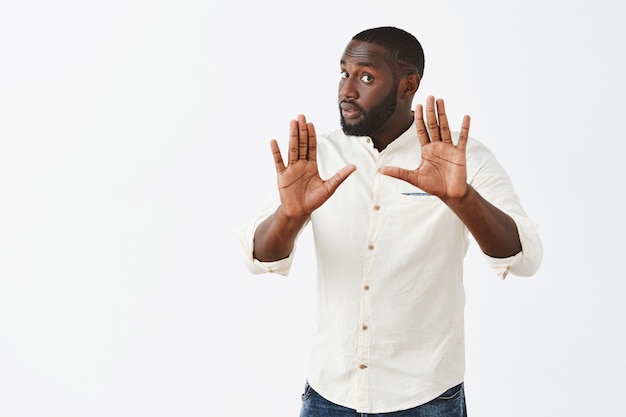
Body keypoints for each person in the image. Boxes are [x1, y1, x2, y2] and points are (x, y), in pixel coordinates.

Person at [238, 26, 542, 416]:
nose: (347, 90)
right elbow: (258, 257)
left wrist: (461, 197)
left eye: (366, 77)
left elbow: (525, 259)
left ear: (407, 85)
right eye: (344, 73)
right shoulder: (318, 157)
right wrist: (290, 214)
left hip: (426, 397)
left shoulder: (462, 159)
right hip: (329, 395)